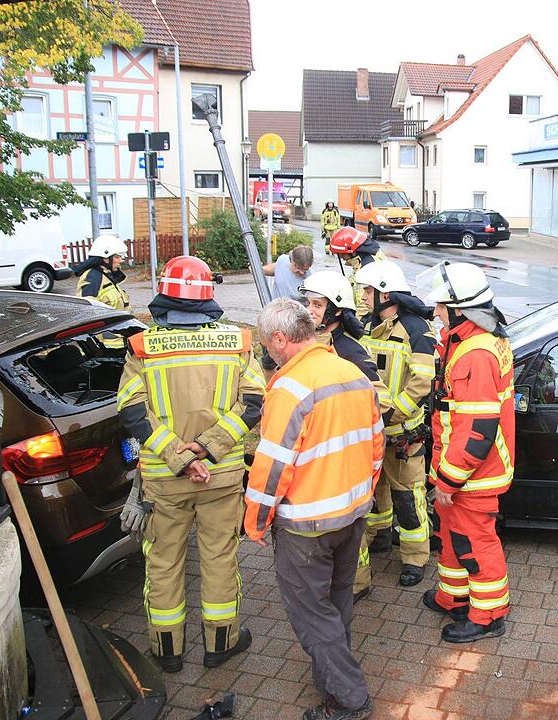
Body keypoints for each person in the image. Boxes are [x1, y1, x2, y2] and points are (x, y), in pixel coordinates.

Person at [116, 255, 263, 674]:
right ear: (208, 294)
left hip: (165, 481)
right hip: (221, 475)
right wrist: (205, 449)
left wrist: (180, 458)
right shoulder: (237, 343)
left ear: (163, 293)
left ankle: (167, 652)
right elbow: (254, 404)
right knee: (220, 558)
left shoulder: (143, 348)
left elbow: (132, 414)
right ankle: (220, 644)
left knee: (164, 563)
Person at [244, 298, 384, 720]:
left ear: (280, 339)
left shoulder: (290, 388)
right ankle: (331, 679)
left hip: (306, 526)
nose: (267, 352)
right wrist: (362, 494)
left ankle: (349, 698)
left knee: (312, 616)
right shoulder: (352, 373)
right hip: (352, 514)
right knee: (337, 602)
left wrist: (256, 522)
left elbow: (272, 466)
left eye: (266, 343)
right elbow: (376, 444)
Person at [417, 261, 514, 644]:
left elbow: (476, 431)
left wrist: (448, 480)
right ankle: (455, 597)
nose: (436, 312)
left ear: (461, 308)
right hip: (460, 470)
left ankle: (488, 615)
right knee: (452, 535)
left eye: (442, 306)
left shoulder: (475, 354)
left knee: (475, 543)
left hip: (472, 475)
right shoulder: (472, 340)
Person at [350, 261, 437, 598]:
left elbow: (422, 382)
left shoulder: (417, 329)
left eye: (368, 291)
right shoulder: (368, 325)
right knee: (376, 492)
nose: (363, 296)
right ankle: (381, 535)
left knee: (408, 498)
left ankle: (415, 558)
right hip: (374, 431)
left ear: (385, 294)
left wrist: (391, 415)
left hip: (402, 434)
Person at [329, 227, 386, 318]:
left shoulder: (368, 268)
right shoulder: (363, 260)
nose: (342, 257)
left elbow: (364, 306)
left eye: (342, 253)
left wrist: (356, 323)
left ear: (353, 252)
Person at [73, 233, 130, 311]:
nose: (120, 260)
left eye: (121, 257)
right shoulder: (93, 277)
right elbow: (89, 310)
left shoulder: (107, 274)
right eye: (117, 257)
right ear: (105, 259)